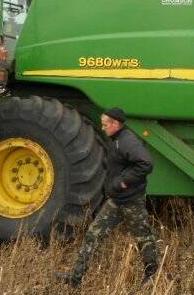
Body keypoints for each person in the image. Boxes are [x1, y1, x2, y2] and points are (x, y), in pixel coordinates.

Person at [56, 107, 158, 288]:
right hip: (116, 201)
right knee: (93, 234)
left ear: (115, 124)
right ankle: (75, 278)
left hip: (131, 202)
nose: (102, 128)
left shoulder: (127, 141)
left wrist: (123, 181)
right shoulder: (116, 140)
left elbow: (146, 164)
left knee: (143, 238)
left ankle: (152, 276)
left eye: (105, 125)